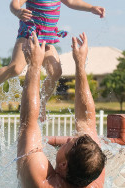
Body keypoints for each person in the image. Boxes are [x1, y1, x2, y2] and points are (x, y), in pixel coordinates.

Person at [0, 0, 105, 121]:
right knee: (16, 68)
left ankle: (41, 104)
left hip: (48, 37)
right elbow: (14, 3)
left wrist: (91, 8)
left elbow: (72, 2)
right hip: (28, 34)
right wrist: (17, 12)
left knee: (56, 72)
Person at [16, 31, 106, 188]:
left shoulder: (39, 178)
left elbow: (27, 123)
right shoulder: (93, 175)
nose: (70, 138)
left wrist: (35, 65)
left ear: (64, 165)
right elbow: (86, 120)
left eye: (69, 144)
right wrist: (80, 64)